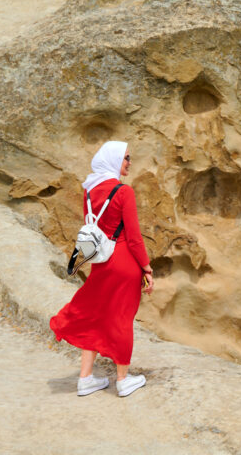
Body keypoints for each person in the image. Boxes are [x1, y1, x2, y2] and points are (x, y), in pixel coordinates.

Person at [50, 140, 154, 397]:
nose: (130, 162)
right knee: (121, 318)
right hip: (124, 263)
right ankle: (123, 379)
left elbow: (94, 227)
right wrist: (147, 268)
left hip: (101, 261)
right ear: (114, 159)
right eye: (126, 157)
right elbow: (134, 238)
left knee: (96, 315)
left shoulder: (89, 190)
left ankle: (85, 379)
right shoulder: (123, 192)